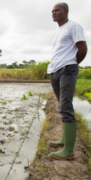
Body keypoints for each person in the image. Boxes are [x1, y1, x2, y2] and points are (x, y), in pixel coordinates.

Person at [47, 2, 87, 160]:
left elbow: (82, 49)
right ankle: (64, 139)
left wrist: (71, 63)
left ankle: (69, 151)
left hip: (67, 69)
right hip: (55, 71)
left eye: (57, 10)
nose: (54, 13)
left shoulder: (73, 26)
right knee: (62, 104)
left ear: (66, 11)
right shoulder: (58, 31)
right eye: (52, 11)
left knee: (65, 106)